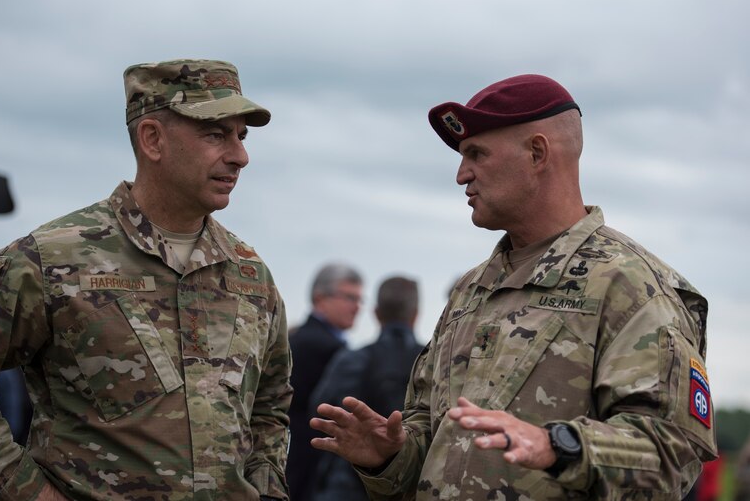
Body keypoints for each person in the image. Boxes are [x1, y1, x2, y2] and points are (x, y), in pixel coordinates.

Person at [310, 74, 718, 499]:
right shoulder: (473, 289)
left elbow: (671, 456)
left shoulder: (630, 285)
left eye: (476, 153)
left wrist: (558, 446)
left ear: (537, 153)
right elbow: (430, 441)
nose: (461, 174)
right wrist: (390, 456)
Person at [0, 59, 292, 501]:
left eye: (241, 136)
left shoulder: (249, 275)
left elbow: (271, 407)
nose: (240, 156)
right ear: (152, 139)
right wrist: (25, 490)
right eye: (215, 134)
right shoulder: (53, 259)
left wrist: (267, 490)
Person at [310, 276, 424, 501]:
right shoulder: (430, 363)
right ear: (416, 314)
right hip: (410, 489)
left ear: (376, 313)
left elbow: (318, 411)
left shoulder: (351, 359)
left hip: (344, 487)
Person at [286, 263, 363, 501]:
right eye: (349, 297)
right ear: (320, 298)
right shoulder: (324, 347)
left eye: (360, 299)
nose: (357, 307)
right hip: (311, 468)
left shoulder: (296, 337)